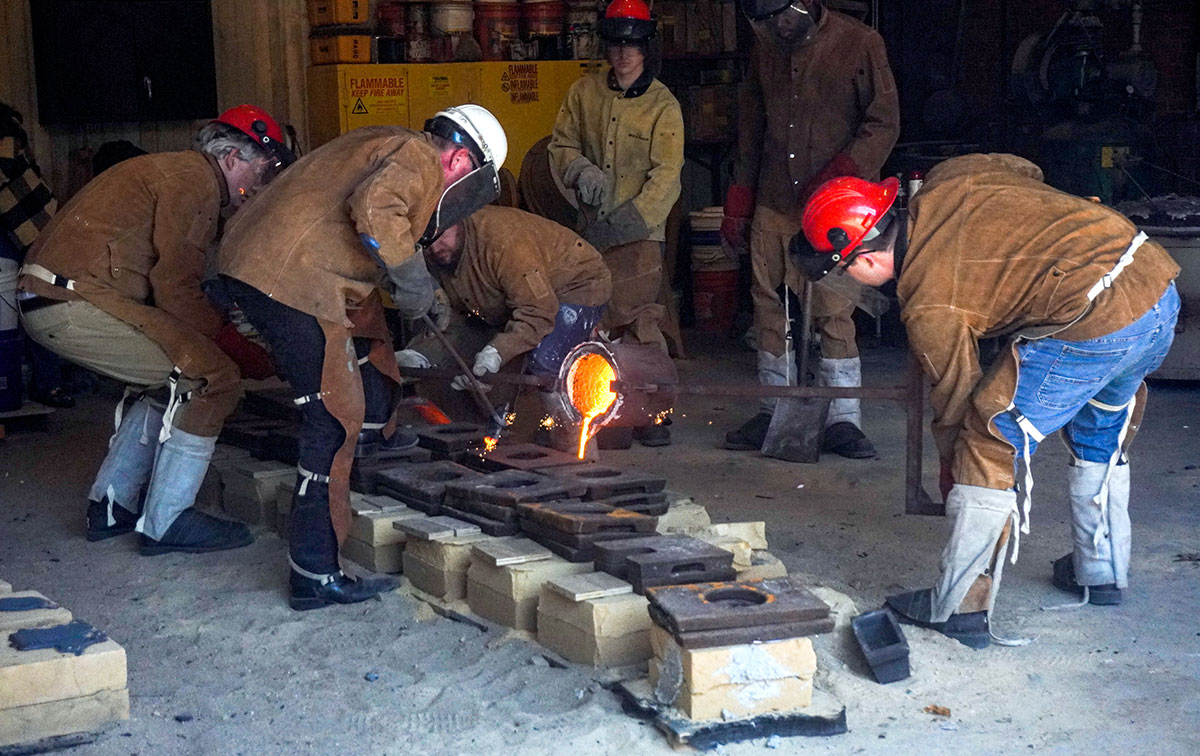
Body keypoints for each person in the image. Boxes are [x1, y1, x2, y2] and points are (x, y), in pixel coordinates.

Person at [791, 154, 1180, 647]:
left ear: (865, 259)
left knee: (988, 436)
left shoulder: (930, 302)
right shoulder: (950, 179)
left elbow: (955, 399)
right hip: (1156, 288)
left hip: (1095, 319)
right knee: (1099, 425)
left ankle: (960, 606)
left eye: (844, 271)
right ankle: (1101, 570)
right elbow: (1027, 170)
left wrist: (959, 473)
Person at [218, 106, 508, 611]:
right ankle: (315, 574)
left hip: (261, 266)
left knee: (367, 330)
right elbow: (376, 209)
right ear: (461, 160)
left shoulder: (383, 138)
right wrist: (414, 280)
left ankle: (377, 432)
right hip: (291, 282)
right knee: (330, 421)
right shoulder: (420, 157)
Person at [18, 104, 291, 555]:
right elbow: (177, 289)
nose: (260, 186)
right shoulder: (195, 182)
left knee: (163, 377)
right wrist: (242, 352)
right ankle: (168, 520)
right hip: (73, 302)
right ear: (230, 159)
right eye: (262, 171)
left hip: (53, 297)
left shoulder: (175, 171)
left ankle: (110, 506)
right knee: (212, 378)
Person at [722, 0, 899, 459]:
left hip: (834, 209)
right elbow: (752, 124)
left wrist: (844, 169)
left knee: (834, 311)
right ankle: (773, 408)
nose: (777, 27)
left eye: (782, 16)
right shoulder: (767, 49)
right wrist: (740, 194)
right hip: (775, 198)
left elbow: (884, 122)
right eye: (766, 21)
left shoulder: (860, 44)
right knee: (769, 307)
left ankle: (844, 417)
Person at [548, 0, 684, 447]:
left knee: (640, 321)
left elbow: (666, 179)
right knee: (595, 321)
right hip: (590, 231)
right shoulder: (583, 94)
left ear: (647, 48)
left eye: (633, 44)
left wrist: (628, 223)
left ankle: (654, 412)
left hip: (640, 236)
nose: (624, 53)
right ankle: (603, 409)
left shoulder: (664, 105)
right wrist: (578, 170)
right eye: (616, 44)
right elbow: (560, 146)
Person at [396, 205, 612, 434]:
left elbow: (537, 312)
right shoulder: (439, 253)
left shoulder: (505, 244)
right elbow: (462, 317)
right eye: (426, 243)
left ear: (458, 220)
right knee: (470, 361)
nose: (436, 249)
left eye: (441, 237)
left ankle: (562, 431)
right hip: (510, 302)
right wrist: (423, 353)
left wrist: (496, 353)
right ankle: (487, 428)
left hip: (577, 286)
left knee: (543, 360)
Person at [0, 101, 73, 408]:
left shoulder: (10, 143)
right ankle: (45, 383)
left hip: (31, 231)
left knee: (38, 305)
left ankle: (46, 382)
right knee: (33, 307)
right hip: (20, 230)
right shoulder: (9, 140)